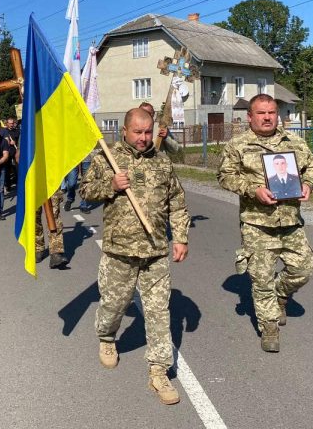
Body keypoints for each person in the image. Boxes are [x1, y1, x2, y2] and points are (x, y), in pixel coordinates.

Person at [80, 108, 190, 405]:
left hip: (155, 251)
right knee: (114, 305)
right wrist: (111, 186)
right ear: (125, 131)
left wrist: (180, 237)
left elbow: (177, 202)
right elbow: (85, 191)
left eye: (147, 132)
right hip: (119, 251)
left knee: (158, 311)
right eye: (137, 132)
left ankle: (158, 371)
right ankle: (106, 337)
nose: (143, 138)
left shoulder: (162, 161)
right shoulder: (107, 158)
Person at [217, 94, 313, 353]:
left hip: (290, 221)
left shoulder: (294, 142)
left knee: (303, 270)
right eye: (261, 113)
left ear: (277, 115)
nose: (267, 118)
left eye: (271, 113)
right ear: (250, 116)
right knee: (261, 279)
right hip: (257, 223)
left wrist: (308, 184)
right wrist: (253, 190)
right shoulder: (238, 145)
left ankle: (280, 295)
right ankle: (269, 327)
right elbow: (225, 176)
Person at [34, 191, 68, 269]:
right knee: (34, 218)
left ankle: (56, 252)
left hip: (51, 185)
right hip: (33, 185)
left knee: (54, 215)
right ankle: (38, 247)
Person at [0, 117, 20, 193]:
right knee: (7, 169)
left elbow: (19, 141)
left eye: (12, 123)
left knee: (17, 169)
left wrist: (16, 144)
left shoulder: (17, 131)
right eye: (10, 123)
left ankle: (18, 184)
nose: (11, 125)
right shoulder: (4, 131)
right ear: (7, 124)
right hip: (7, 152)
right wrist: (9, 142)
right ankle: (8, 185)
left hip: (15, 152)